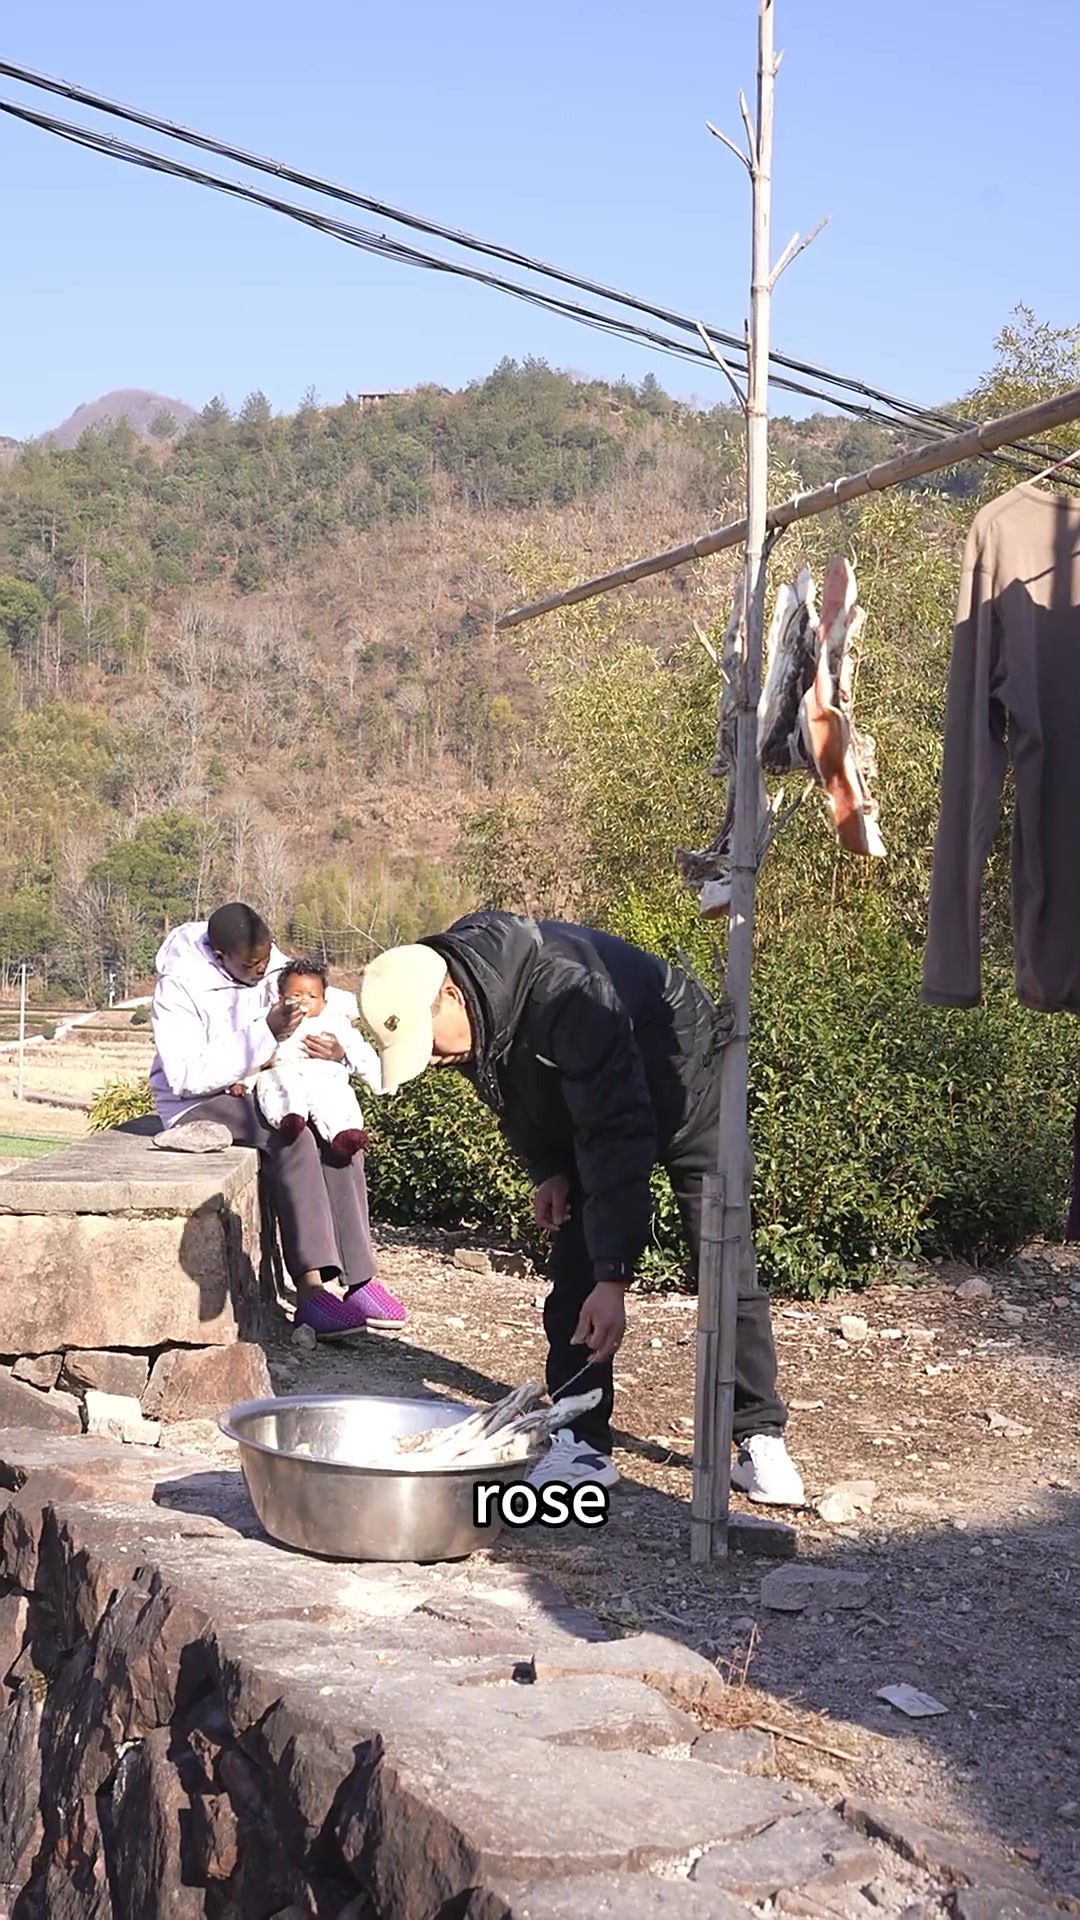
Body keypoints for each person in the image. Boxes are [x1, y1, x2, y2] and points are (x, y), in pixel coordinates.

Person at [358, 911, 804, 1503]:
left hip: (687, 1083)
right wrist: (549, 1169)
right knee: (573, 1265)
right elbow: (509, 1092)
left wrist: (614, 1277)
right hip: (593, 1104)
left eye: (427, 1042)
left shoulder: (568, 991)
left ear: (448, 995)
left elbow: (617, 1133)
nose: (434, 1060)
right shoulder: (474, 998)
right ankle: (579, 1440)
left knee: (723, 1258)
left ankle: (759, 1435)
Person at [149, 903, 406, 1338]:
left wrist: (339, 1053)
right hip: (202, 1099)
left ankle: (360, 1278)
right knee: (292, 1136)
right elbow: (185, 1075)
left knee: (339, 1137)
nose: (263, 970)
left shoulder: (270, 963)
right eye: (251, 965)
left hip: (272, 1079)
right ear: (219, 956)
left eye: (268, 959)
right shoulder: (180, 986)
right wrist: (264, 1035)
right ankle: (310, 1291)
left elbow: (325, 1006)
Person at [253, 957, 382, 1158]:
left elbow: (360, 1051)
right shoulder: (269, 1021)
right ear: (280, 998)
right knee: (275, 1088)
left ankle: (344, 1132)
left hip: (325, 1077)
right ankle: (288, 1119)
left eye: (312, 996)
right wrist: (244, 1080)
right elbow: (249, 1051)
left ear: (324, 1002)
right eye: (296, 995)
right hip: (284, 1074)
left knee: (338, 1098)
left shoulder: (336, 1024)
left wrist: (381, 1080)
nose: (304, 1001)